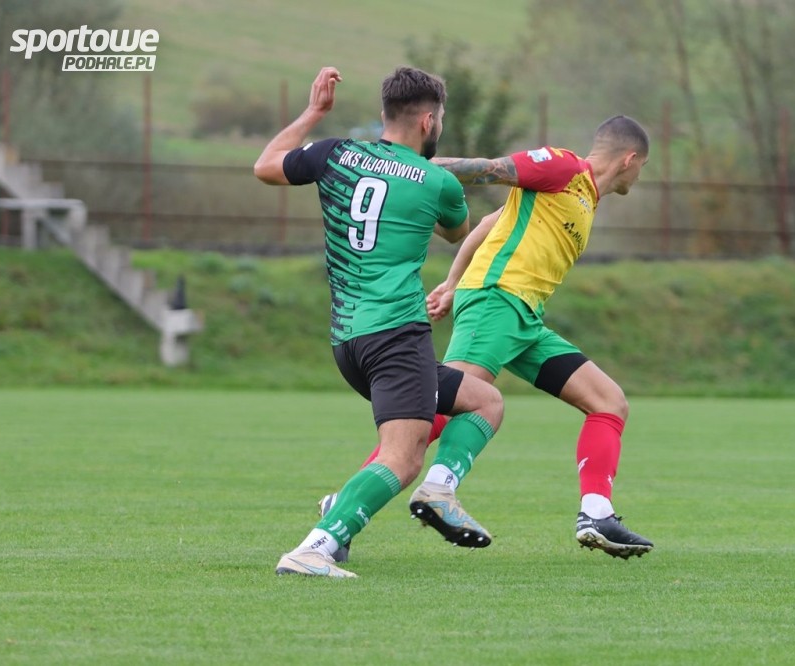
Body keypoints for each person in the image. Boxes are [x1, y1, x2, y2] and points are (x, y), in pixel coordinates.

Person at [344, 116, 654, 559]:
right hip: (497, 299)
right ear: (630, 159)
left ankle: (597, 514)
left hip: (524, 319)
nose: (640, 175)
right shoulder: (564, 168)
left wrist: (452, 283)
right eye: (643, 166)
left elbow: (492, 222)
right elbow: (486, 168)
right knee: (447, 406)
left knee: (609, 402)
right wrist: (405, 164)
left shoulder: (584, 198)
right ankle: (391, 495)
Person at [254, 65, 503, 578]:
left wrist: (314, 112)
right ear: (429, 120)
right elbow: (457, 231)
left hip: (349, 339)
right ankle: (316, 547)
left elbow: (266, 166)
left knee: (484, 401)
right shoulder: (438, 181)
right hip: (397, 336)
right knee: (402, 458)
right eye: (440, 120)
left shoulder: (334, 154)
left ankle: (425, 493)